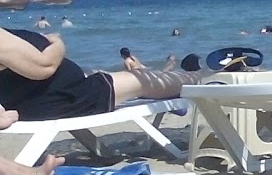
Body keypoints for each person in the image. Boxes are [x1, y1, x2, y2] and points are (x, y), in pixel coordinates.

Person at [0, 29, 205, 123]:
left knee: (131, 76)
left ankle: (190, 77)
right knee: (140, 82)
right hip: (67, 96)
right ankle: (199, 77)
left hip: (47, 96)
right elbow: (44, 66)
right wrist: (57, 44)